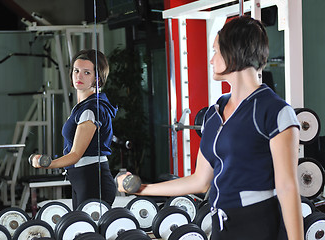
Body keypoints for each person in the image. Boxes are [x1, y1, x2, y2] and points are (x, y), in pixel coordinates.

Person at [117, 16, 303, 240]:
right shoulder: (213, 115)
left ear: (233, 52)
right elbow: (200, 181)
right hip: (221, 226)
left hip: (259, 226)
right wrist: (141, 189)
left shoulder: (275, 111)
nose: (211, 60)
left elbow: (287, 188)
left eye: (215, 51)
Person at [31, 49, 118, 209]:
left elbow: (75, 155)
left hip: (92, 180)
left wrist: (46, 163)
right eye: (76, 71)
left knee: (88, 232)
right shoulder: (84, 106)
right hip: (82, 178)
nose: (79, 76)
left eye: (86, 72)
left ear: (97, 78)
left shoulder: (91, 109)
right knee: (81, 231)